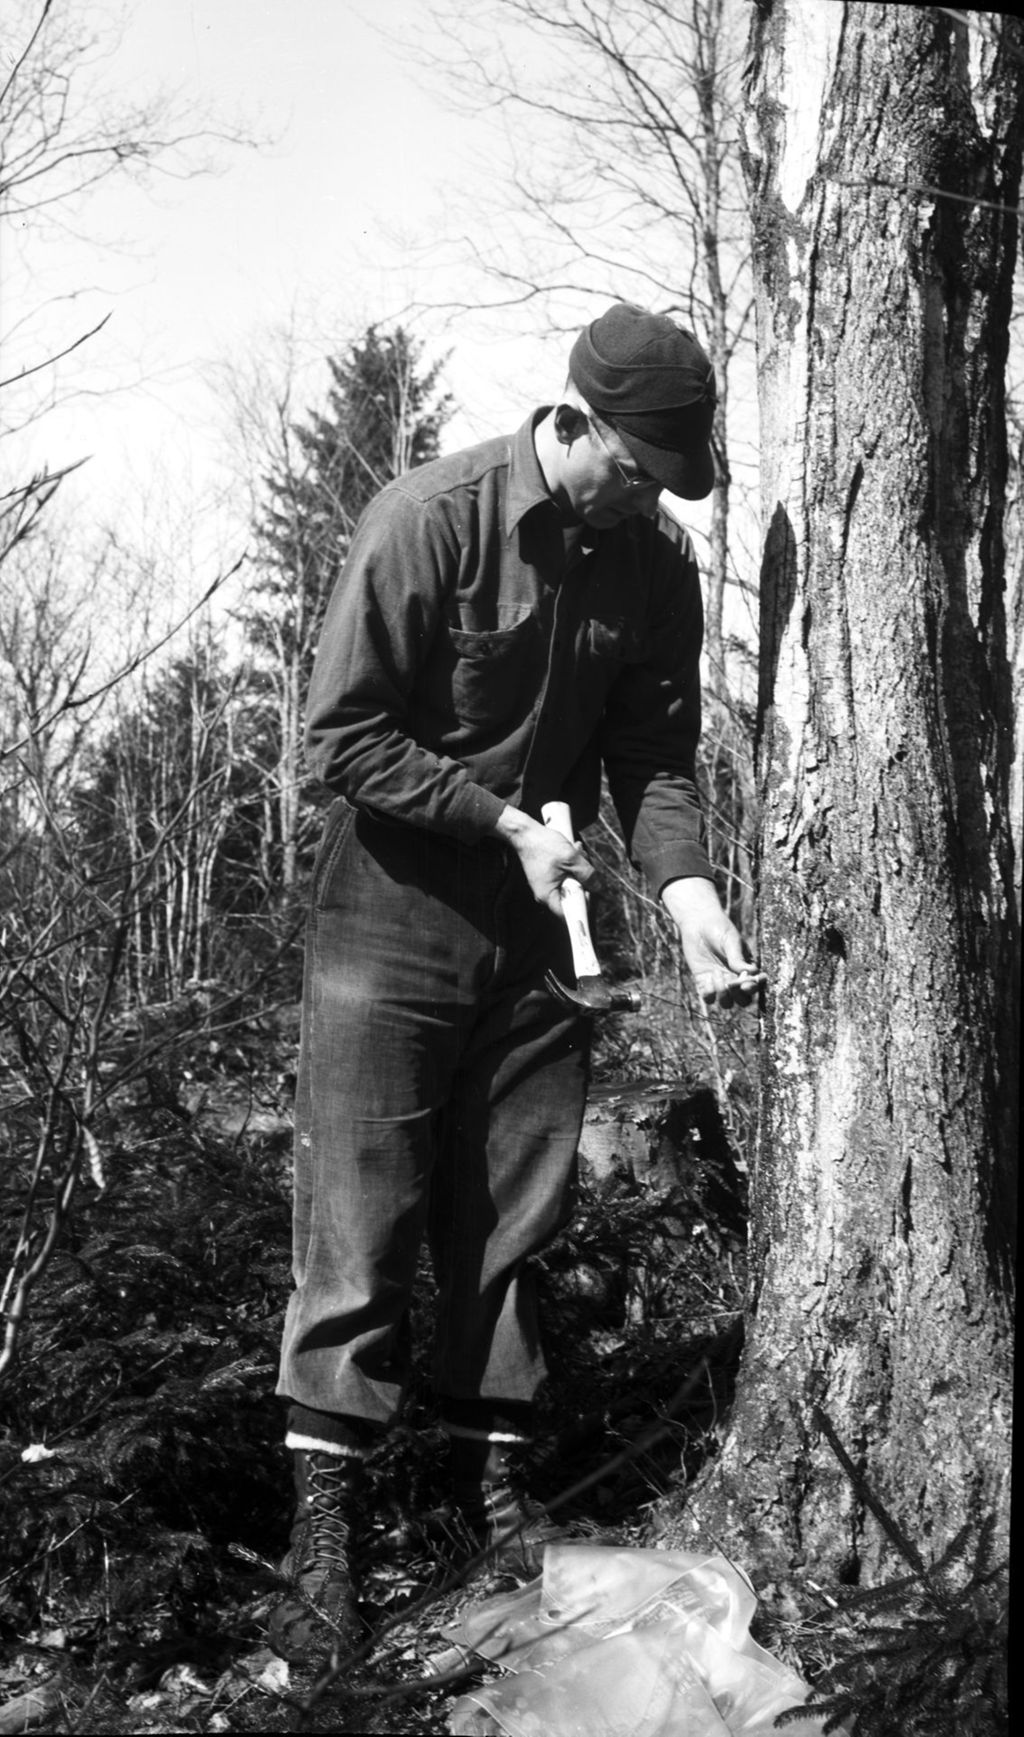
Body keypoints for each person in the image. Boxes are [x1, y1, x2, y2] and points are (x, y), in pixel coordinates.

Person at [268, 302, 762, 1664]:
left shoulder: (652, 566)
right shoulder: (429, 518)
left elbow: (654, 757)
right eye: (638, 468)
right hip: (392, 916)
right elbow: (342, 736)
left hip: (544, 935)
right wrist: (496, 819)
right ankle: (329, 1530)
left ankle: (493, 1491)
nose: (652, 497)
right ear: (578, 420)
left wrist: (686, 887)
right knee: (361, 1213)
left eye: (669, 480)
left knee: (514, 1218)